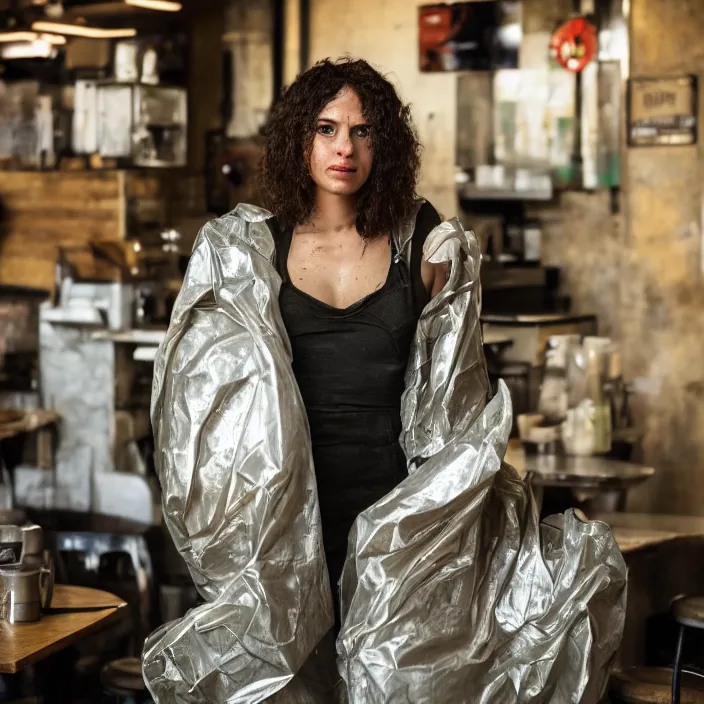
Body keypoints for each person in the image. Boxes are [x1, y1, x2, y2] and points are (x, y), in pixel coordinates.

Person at [258, 57, 447, 624]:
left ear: (382, 145)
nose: (345, 148)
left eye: (362, 132)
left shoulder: (422, 242)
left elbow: (452, 394)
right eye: (326, 129)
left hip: (394, 515)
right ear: (299, 139)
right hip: (287, 516)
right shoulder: (257, 249)